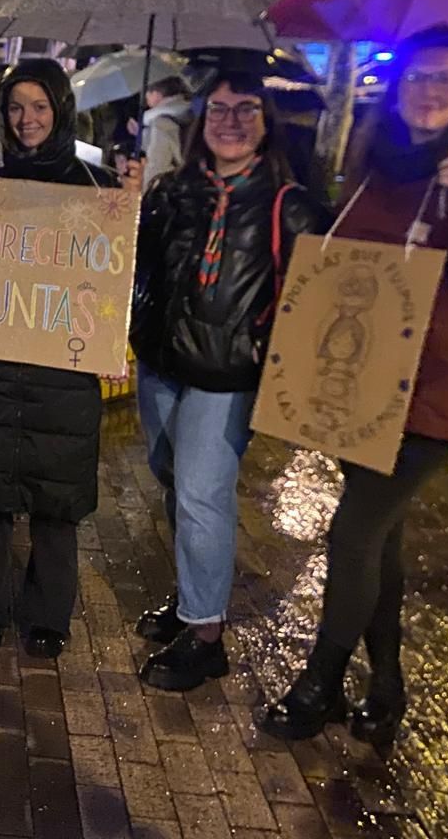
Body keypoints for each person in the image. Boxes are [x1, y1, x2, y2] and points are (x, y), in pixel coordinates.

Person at [260, 26, 448, 744]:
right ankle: (386, 686)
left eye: (445, 77)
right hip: (363, 390)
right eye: (416, 77)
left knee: (353, 530)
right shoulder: (376, 163)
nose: (429, 91)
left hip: (436, 391)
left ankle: (321, 683)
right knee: (380, 541)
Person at [129, 70, 328, 692]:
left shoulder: (290, 204)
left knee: (201, 493)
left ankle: (207, 635)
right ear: (201, 119)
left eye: (246, 109)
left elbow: (319, 295)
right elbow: (137, 265)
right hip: (161, 362)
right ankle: (194, 597)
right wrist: (127, 205)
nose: (231, 121)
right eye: (218, 109)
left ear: (266, 123)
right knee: (173, 478)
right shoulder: (171, 191)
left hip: (228, 375)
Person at [0, 60, 112, 659]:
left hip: (62, 370)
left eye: (39, 107)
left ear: (60, 110)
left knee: (55, 497)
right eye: (15, 108)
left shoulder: (98, 188)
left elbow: (116, 279)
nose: (26, 119)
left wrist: (112, 336)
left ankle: (48, 612)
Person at [136, 75, 194, 189]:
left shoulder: (161, 123)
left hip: (166, 188)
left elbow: (156, 165)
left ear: (157, 94)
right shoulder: (187, 114)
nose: (145, 97)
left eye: (148, 92)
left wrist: (146, 192)